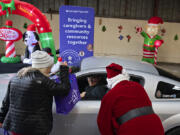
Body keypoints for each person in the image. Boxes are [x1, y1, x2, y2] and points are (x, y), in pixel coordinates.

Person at [0, 50, 71, 135]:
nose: (50, 69)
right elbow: (64, 90)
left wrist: (1, 118)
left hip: (15, 126)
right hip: (35, 129)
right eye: (50, 67)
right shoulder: (42, 81)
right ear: (45, 67)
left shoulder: (17, 77)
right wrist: (64, 69)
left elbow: (6, 102)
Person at [97, 63, 164, 135]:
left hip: (132, 130)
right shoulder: (138, 86)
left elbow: (102, 123)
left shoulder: (110, 95)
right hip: (156, 127)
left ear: (109, 81)